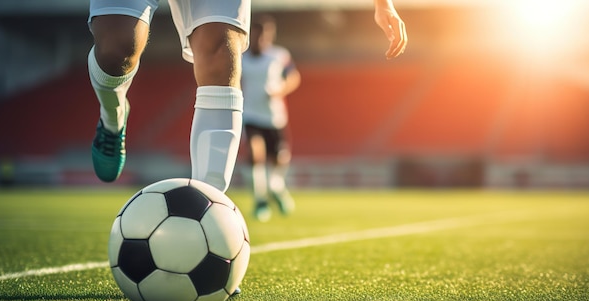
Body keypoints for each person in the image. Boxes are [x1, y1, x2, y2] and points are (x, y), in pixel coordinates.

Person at [87, 0, 406, 192]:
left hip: (270, 114)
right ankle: (112, 117)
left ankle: (210, 219)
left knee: (221, 53)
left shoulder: (278, 56)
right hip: (258, 115)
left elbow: (291, 76)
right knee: (118, 48)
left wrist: (383, 3)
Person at [241, 14, 301, 222]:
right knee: (254, 154)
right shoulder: (242, 57)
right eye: (257, 34)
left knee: (279, 158)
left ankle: (276, 187)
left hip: (274, 117)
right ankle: (260, 201)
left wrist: (279, 90)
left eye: (265, 35)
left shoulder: (279, 55)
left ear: (270, 35)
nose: (260, 39)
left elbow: (294, 77)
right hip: (250, 115)